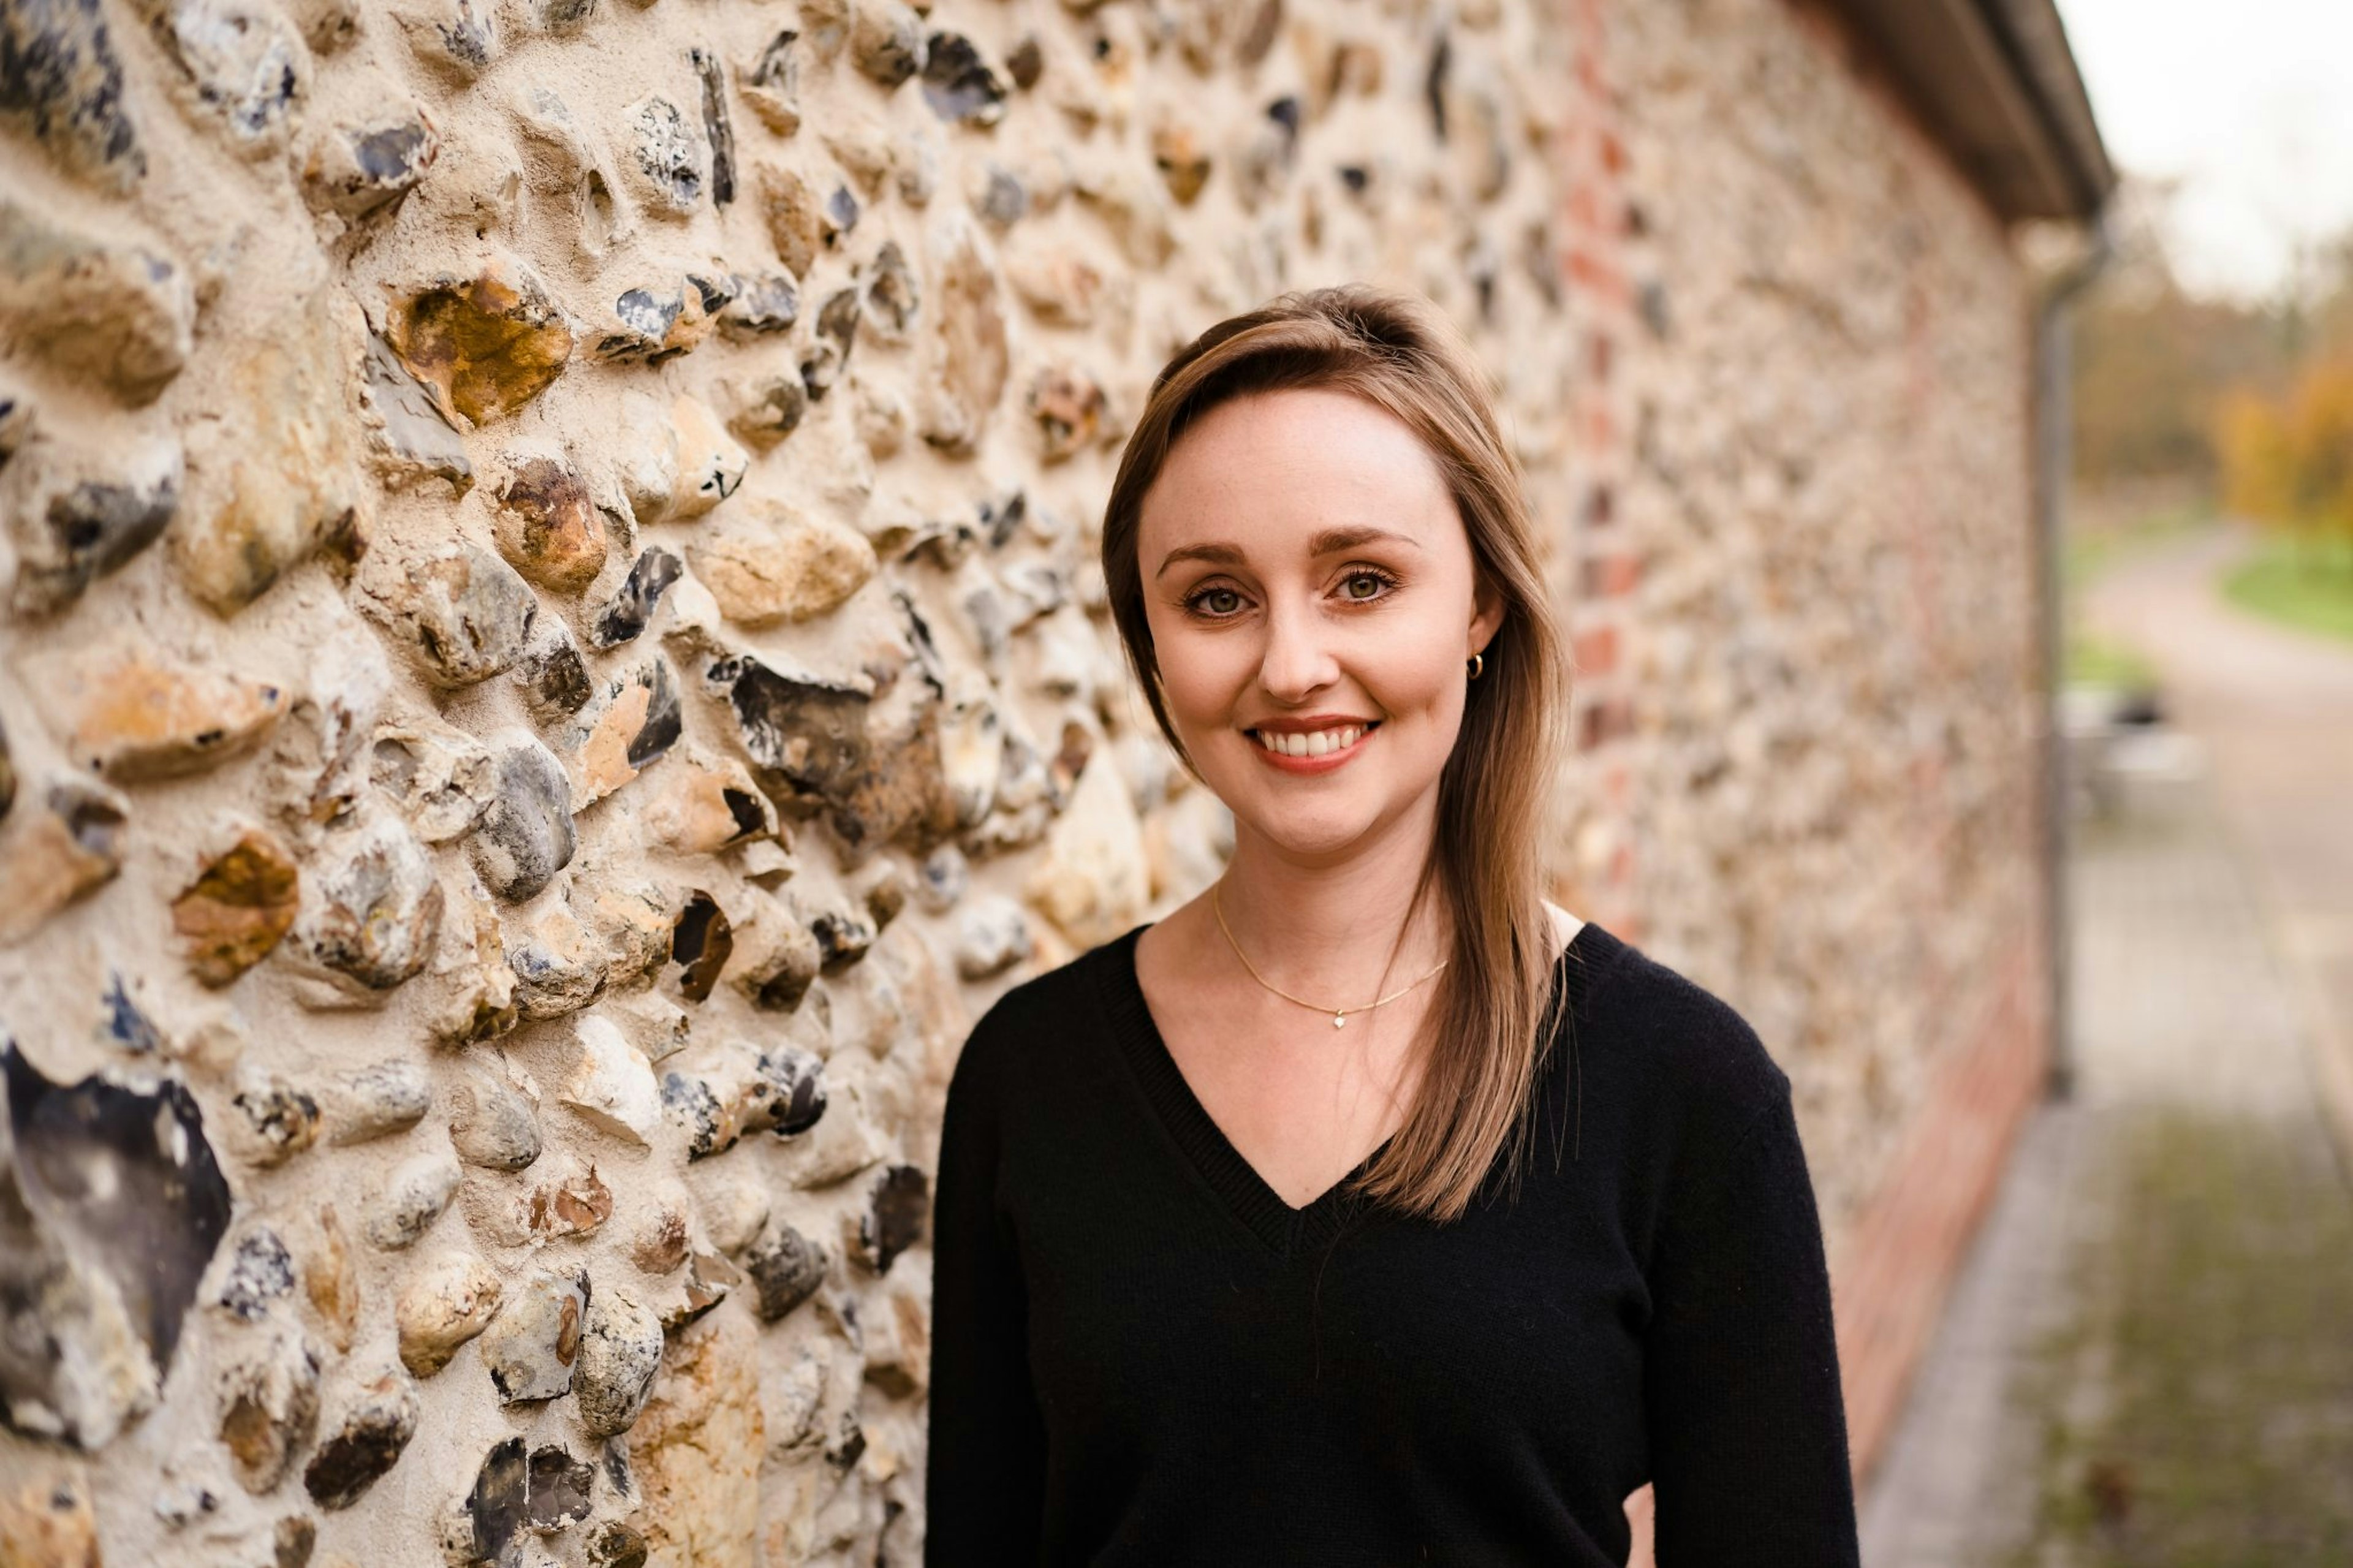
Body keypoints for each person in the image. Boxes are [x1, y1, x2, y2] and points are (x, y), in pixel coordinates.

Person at [923, 284, 1861, 1565]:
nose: (1292, 663)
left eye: (1361, 581)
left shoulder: (1683, 1090)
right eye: (1215, 598)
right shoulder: (1030, 1076)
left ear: (1480, 605)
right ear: (1150, 639)